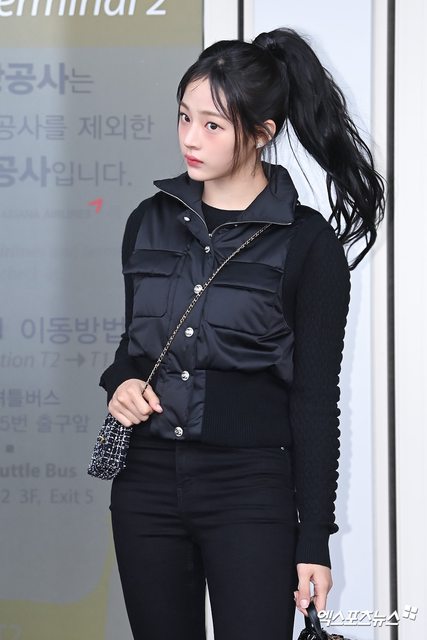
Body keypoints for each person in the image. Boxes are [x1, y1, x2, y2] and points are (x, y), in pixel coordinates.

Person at [99, 28, 385, 640]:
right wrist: (121, 383)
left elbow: (315, 400)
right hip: (146, 486)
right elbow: (134, 348)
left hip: (251, 492)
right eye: (184, 117)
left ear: (261, 132)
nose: (189, 138)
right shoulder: (148, 221)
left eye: (212, 125)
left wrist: (314, 539)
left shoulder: (308, 244)